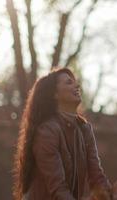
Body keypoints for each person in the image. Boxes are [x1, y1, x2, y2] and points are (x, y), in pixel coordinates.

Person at [13, 68, 111, 200]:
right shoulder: (47, 131)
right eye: (69, 83)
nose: (77, 85)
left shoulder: (84, 129)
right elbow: (58, 188)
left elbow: (97, 176)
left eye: (74, 82)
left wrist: (111, 195)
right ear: (55, 94)